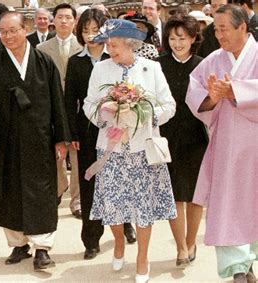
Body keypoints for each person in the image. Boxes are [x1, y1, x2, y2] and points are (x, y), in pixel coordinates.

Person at [0, 11, 71, 271]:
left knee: (42, 192)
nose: (9, 36)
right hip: (5, 139)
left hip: (40, 138)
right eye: (3, 31)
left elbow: (57, 100)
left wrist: (61, 138)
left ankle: (43, 247)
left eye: (14, 30)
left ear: (25, 30)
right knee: (9, 190)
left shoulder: (44, 62)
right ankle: (18, 243)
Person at [83, 19, 177, 283]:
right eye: (109, 45)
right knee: (112, 204)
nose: (110, 49)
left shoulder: (152, 68)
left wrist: (142, 115)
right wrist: (108, 115)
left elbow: (169, 106)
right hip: (111, 148)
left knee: (142, 207)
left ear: (130, 45)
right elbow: (89, 104)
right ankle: (119, 242)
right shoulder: (101, 69)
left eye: (115, 45)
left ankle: (142, 258)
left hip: (142, 149)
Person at [185, 5, 258, 282]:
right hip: (227, 145)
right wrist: (214, 98)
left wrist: (237, 91)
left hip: (255, 146)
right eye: (215, 29)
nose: (218, 35)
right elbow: (195, 93)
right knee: (228, 203)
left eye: (223, 29)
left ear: (243, 27)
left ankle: (250, 258)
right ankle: (237, 268)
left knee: (254, 203)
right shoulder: (214, 60)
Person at [156, 14, 207, 269]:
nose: (177, 43)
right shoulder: (157, 65)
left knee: (195, 196)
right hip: (167, 138)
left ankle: (191, 241)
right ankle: (180, 247)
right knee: (174, 194)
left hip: (196, 138)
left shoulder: (203, 65)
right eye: (172, 38)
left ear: (193, 38)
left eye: (182, 38)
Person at [64, 8, 109, 260]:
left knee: (117, 178)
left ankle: (125, 225)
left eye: (96, 30)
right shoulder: (76, 61)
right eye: (86, 30)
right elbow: (69, 99)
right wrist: (71, 133)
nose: (91, 35)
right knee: (89, 183)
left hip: (116, 129)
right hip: (87, 130)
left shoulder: (113, 57)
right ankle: (91, 239)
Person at [38, 3, 82, 219]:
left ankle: (77, 201)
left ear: (75, 21)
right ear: (53, 20)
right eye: (60, 17)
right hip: (52, 108)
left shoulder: (83, 48)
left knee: (76, 155)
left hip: (77, 109)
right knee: (54, 153)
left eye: (68, 17)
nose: (64, 21)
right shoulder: (42, 50)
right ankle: (57, 189)